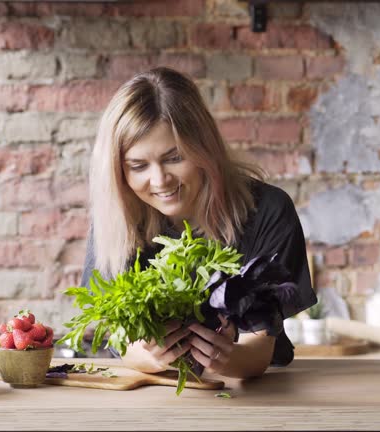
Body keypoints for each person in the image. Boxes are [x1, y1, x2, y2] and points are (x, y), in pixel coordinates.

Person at [80, 67, 316, 379]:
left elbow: (260, 345)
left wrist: (227, 359)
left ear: (204, 148)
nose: (159, 180)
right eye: (138, 165)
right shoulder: (117, 218)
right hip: (152, 394)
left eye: (175, 158)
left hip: (252, 397)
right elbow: (114, 334)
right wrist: (140, 356)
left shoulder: (268, 211)